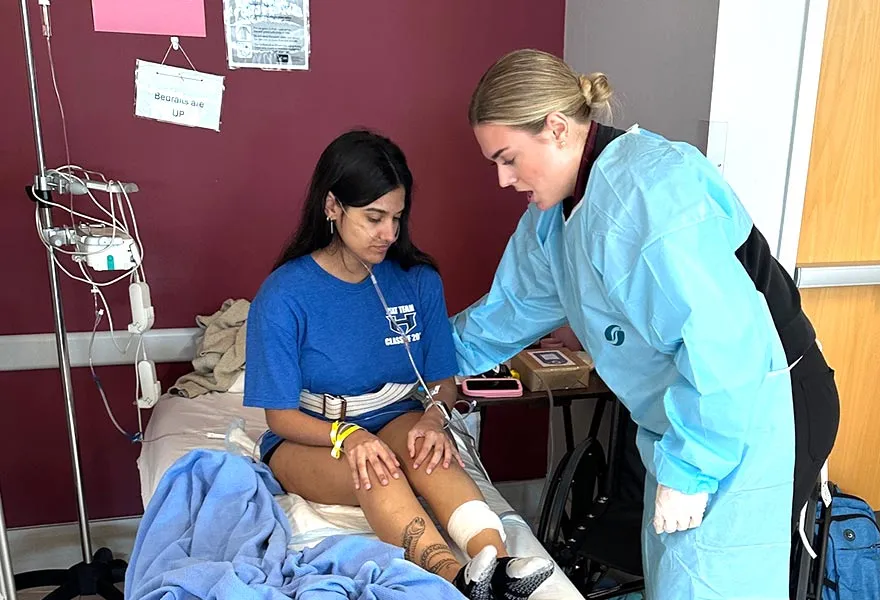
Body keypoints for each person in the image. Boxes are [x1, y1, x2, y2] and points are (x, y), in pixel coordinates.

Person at [450, 49, 839, 598]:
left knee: (718, 584)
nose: (502, 179)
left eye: (508, 158)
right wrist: (428, 364)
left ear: (556, 129)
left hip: (754, 408)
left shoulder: (647, 193)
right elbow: (509, 311)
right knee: (674, 579)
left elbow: (723, 340)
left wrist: (694, 466)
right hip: (689, 417)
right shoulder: (556, 217)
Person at [243, 129, 554, 600]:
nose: (388, 233)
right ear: (332, 207)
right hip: (310, 433)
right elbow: (279, 416)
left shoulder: (418, 280)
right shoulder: (286, 294)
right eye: (373, 217)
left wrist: (434, 418)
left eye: (396, 217)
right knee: (378, 470)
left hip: (395, 413)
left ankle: (500, 564)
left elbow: (441, 383)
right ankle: (455, 579)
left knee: (431, 454)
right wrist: (348, 436)